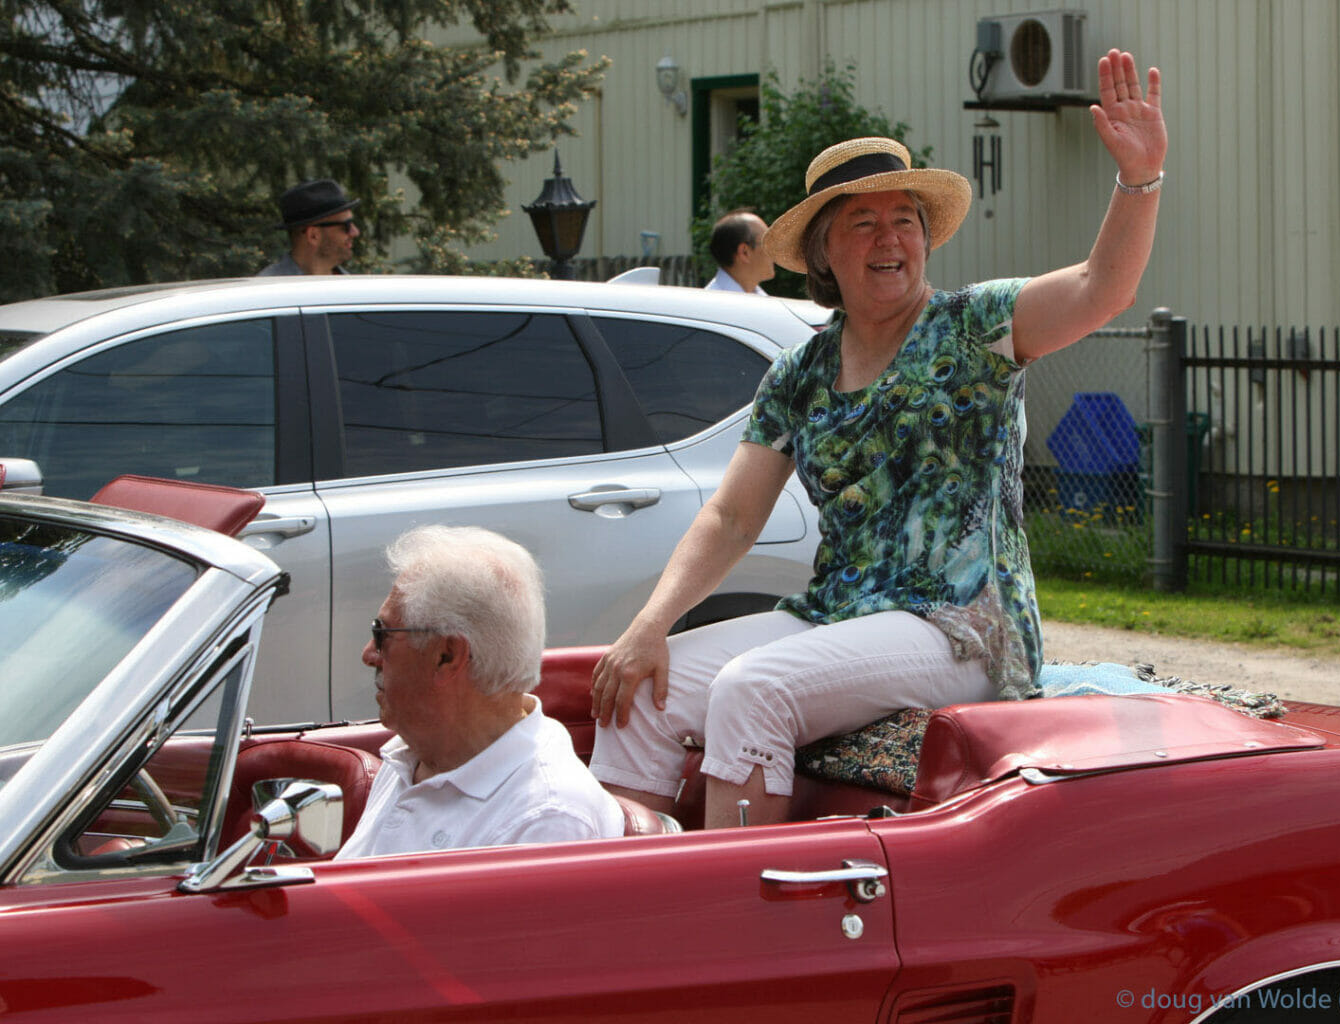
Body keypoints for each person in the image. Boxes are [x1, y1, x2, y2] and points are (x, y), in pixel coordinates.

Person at [589, 49, 1166, 829]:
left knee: (753, 689)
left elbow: (1105, 290)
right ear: (825, 251)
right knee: (636, 693)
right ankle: (627, 894)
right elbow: (729, 518)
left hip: (960, 627)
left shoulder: (975, 327)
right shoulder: (800, 372)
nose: (889, 237)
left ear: (927, 239)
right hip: (838, 612)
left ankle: (734, 918)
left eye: (905, 219)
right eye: (863, 222)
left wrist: (1139, 180)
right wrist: (646, 629)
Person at [336, 524, 624, 858]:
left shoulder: (547, 819)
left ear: (447, 656)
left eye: (382, 633)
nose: (368, 654)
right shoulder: (418, 753)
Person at [257, 179, 361, 276]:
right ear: (313, 235)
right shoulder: (269, 291)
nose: (355, 232)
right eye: (346, 225)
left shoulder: (355, 289)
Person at [702, 209, 774, 294]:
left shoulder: (763, 299)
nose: (774, 252)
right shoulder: (711, 303)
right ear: (744, 252)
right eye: (768, 244)